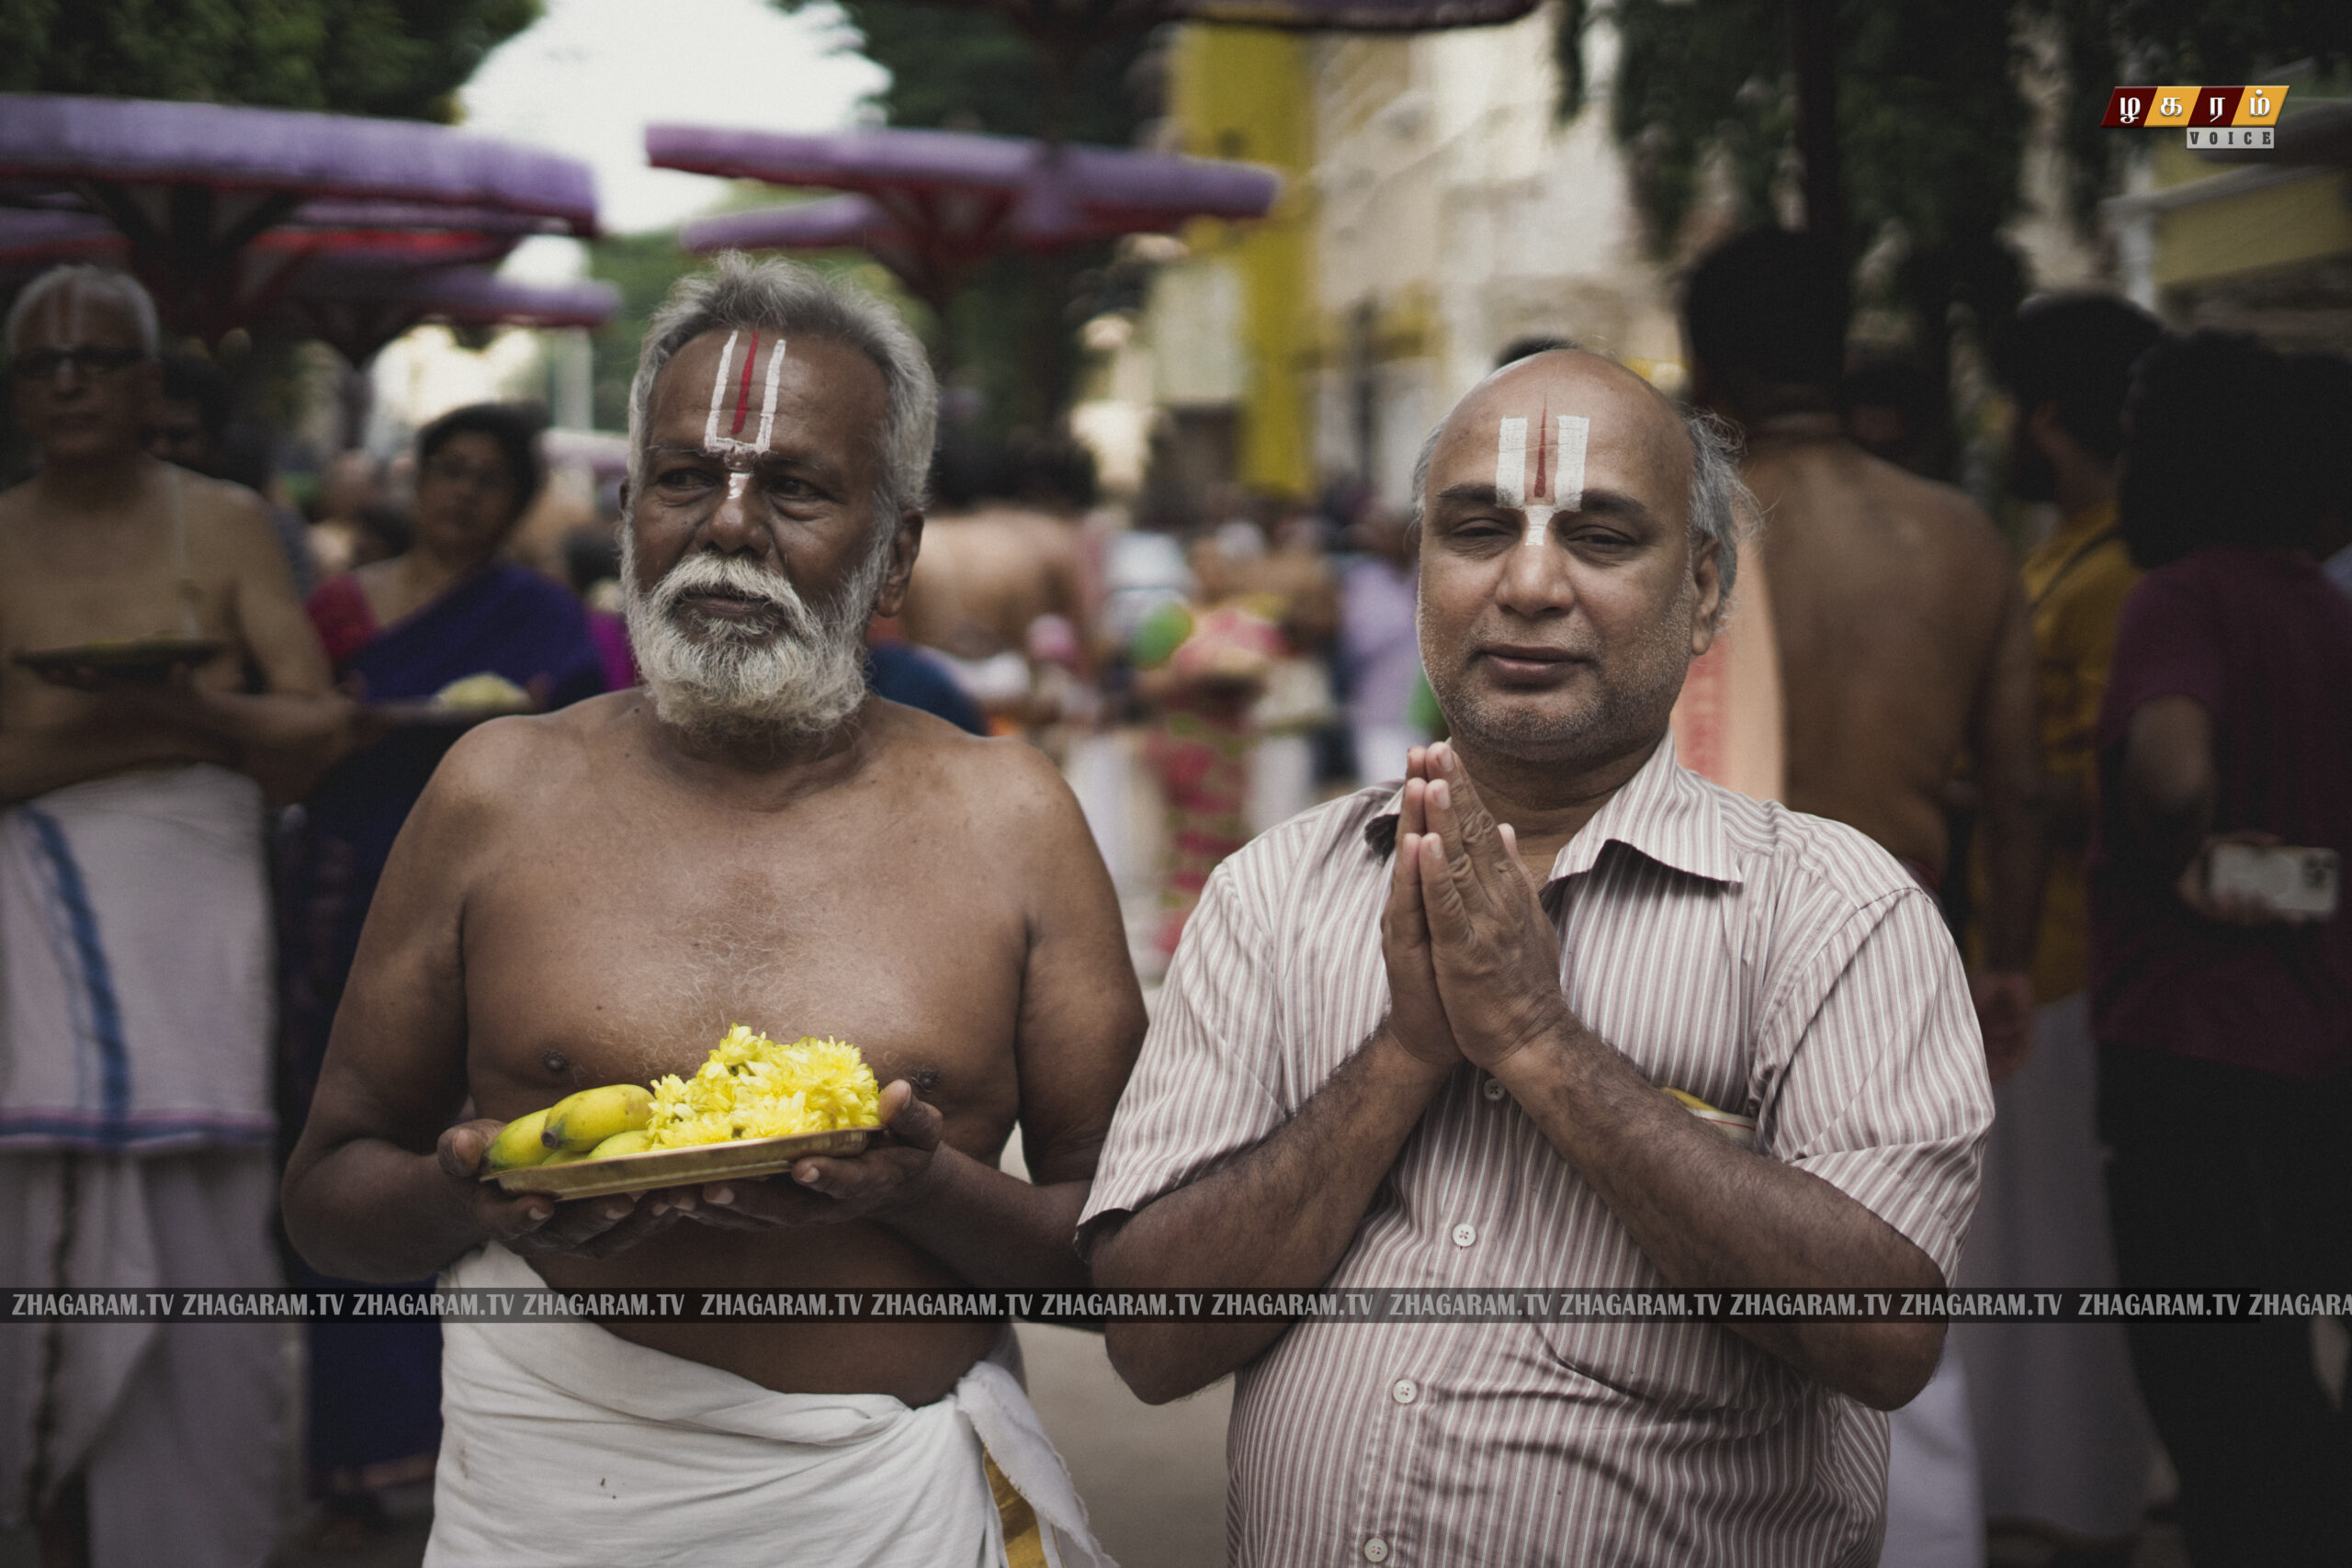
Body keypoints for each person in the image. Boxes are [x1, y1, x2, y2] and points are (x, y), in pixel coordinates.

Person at [280, 254, 1137, 1566]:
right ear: (632, 517)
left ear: (897, 548)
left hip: (886, 1506)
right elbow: (327, 1199)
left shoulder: (1009, 814)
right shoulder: (496, 788)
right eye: (684, 478)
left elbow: (1133, 1265)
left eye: (792, 486)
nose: (727, 525)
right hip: (552, 1500)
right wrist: (478, 1195)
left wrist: (925, 1186)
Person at [1086, 347, 1993, 1565]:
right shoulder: (1276, 891)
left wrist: (1537, 1038)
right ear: (1419, 572)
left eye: (1603, 537)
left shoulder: (1835, 910)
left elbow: (1883, 1333)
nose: (1527, 582)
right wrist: (1409, 1047)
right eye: (1475, 529)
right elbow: (1151, 1339)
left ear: (1707, 587)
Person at [1681, 227, 2041, 1568]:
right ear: (1840, 351)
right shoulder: (1958, 536)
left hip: (1699, 949)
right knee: (1901, 1318)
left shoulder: (1678, 538)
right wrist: (2004, 960)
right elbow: (2020, 790)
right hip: (1904, 951)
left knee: (1700, 1322)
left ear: (1709, 367)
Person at [0, 264, 346, 1567]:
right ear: (21, 395)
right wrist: (168, 720)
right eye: (44, 362)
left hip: (196, 950)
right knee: (42, 1254)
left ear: (153, 386)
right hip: (38, 933)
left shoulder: (230, 526)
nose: (72, 378)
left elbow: (313, 732)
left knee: (203, 1255)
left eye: (98, 356)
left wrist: (169, 721)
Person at [281, 401, 606, 1529]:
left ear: (515, 500)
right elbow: (283, 735)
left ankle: (446, 1440)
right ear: (414, 482)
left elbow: (599, 739)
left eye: (485, 477)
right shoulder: (338, 606)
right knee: (345, 1150)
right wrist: (335, 730)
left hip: (489, 916)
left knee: (466, 1153)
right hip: (342, 892)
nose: (460, 493)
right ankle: (358, 1455)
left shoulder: (546, 618)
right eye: (444, 470)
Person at [2090, 332, 2352, 1568]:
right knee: (2286, 1359)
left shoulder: (2180, 598)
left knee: (2215, 1387)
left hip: (2188, 1049)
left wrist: (2178, 843)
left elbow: (2174, 763)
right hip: (2318, 1045)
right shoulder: (2326, 605)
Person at [1953, 292, 2163, 1561]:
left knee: (2065, 1252)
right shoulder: (2069, 549)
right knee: (2029, 1242)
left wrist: (1987, 786)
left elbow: (2126, 771)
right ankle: (2042, 1485)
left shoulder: (2120, 566)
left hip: (2075, 951)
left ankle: (2081, 1496)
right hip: (2032, 939)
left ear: (2042, 415)